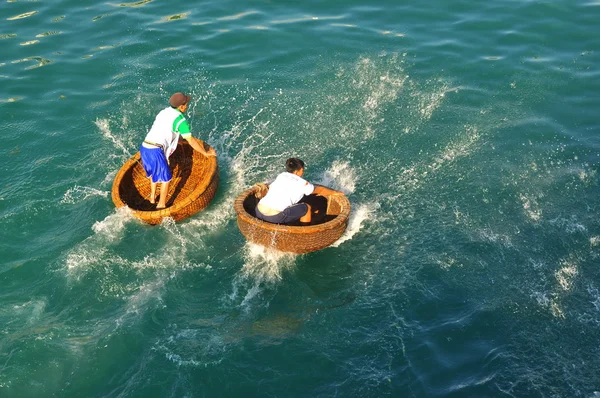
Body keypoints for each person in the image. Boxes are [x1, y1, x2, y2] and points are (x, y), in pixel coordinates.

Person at [140, 92, 216, 209]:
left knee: (153, 174)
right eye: (186, 104)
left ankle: (152, 198)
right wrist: (205, 152)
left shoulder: (164, 112)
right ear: (182, 106)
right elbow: (190, 140)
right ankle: (161, 205)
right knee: (166, 179)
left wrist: (179, 140)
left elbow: (166, 131)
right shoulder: (180, 120)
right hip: (156, 150)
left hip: (145, 146)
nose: (187, 106)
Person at [255, 158, 343, 225]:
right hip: (274, 217)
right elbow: (321, 190)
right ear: (297, 171)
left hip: (258, 211)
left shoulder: (282, 175)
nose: (302, 173)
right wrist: (335, 192)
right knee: (306, 208)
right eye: (302, 170)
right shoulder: (302, 183)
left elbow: (270, 187)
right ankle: (305, 232)